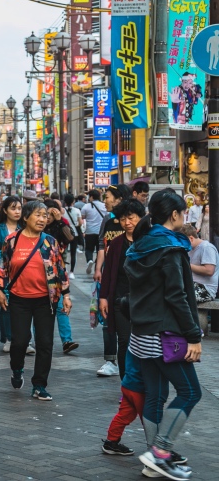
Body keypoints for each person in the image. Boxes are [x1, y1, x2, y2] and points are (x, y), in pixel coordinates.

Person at [125, 189, 203, 481]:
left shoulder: (141, 245)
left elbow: (136, 293)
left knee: (156, 396)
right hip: (165, 334)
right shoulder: (171, 248)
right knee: (191, 392)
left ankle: (153, 462)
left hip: (141, 334)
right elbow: (177, 296)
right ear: (175, 215)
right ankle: (160, 453)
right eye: (183, 213)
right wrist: (193, 335)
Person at [0, 200, 72, 401]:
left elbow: (60, 269)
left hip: (46, 300)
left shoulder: (50, 242)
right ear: (26, 217)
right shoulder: (11, 241)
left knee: (45, 343)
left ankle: (39, 385)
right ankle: (17, 368)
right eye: (37, 215)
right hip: (19, 299)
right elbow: (3, 267)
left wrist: (66, 295)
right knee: (19, 342)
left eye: (45, 215)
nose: (42, 219)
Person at [98, 198, 146, 381]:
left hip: (145, 300)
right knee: (124, 341)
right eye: (123, 219)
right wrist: (103, 297)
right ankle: (127, 386)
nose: (127, 223)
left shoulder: (148, 240)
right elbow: (109, 272)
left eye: (131, 218)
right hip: (120, 299)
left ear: (141, 218)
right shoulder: (117, 243)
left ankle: (143, 383)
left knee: (144, 342)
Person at [94, 183, 131, 378]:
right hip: (110, 278)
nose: (105, 200)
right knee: (107, 318)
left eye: (107, 196)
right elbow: (102, 245)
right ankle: (110, 360)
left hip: (129, 282)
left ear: (119, 199)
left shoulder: (138, 224)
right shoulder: (107, 220)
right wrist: (99, 269)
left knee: (127, 333)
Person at [0, 196, 26, 354]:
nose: (17, 212)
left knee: (24, 306)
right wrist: (5, 254)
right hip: (4, 272)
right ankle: (8, 338)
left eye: (19, 208)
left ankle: (24, 339)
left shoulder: (24, 227)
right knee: (6, 305)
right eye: (13, 208)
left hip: (24, 272)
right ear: (5, 210)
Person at [43, 199, 80, 355]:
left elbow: (71, 238)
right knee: (38, 308)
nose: (49, 216)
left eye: (52, 213)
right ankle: (34, 341)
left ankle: (67, 341)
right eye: (47, 213)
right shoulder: (37, 224)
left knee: (60, 308)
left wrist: (59, 222)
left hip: (58, 272)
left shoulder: (61, 223)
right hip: (38, 273)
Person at [178, 225, 218, 303]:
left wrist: (187, 265)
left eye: (182, 242)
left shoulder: (207, 248)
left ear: (191, 238)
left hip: (205, 288)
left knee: (177, 296)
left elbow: (209, 271)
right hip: (193, 284)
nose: (181, 245)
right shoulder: (190, 249)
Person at [81, 190, 107, 274]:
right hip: (101, 231)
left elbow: (83, 217)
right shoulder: (104, 205)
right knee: (100, 249)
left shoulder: (86, 207)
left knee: (89, 249)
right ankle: (97, 266)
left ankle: (89, 260)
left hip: (90, 231)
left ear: (91, 197)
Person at [62, 193, 83, 278]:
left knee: (63, 251)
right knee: (73, 253)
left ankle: (64, 269)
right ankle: (72, 272)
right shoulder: (77, 211)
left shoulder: (62, 211)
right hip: (75, 234)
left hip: (64, 234)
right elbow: (80, 223)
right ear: (73, 201)